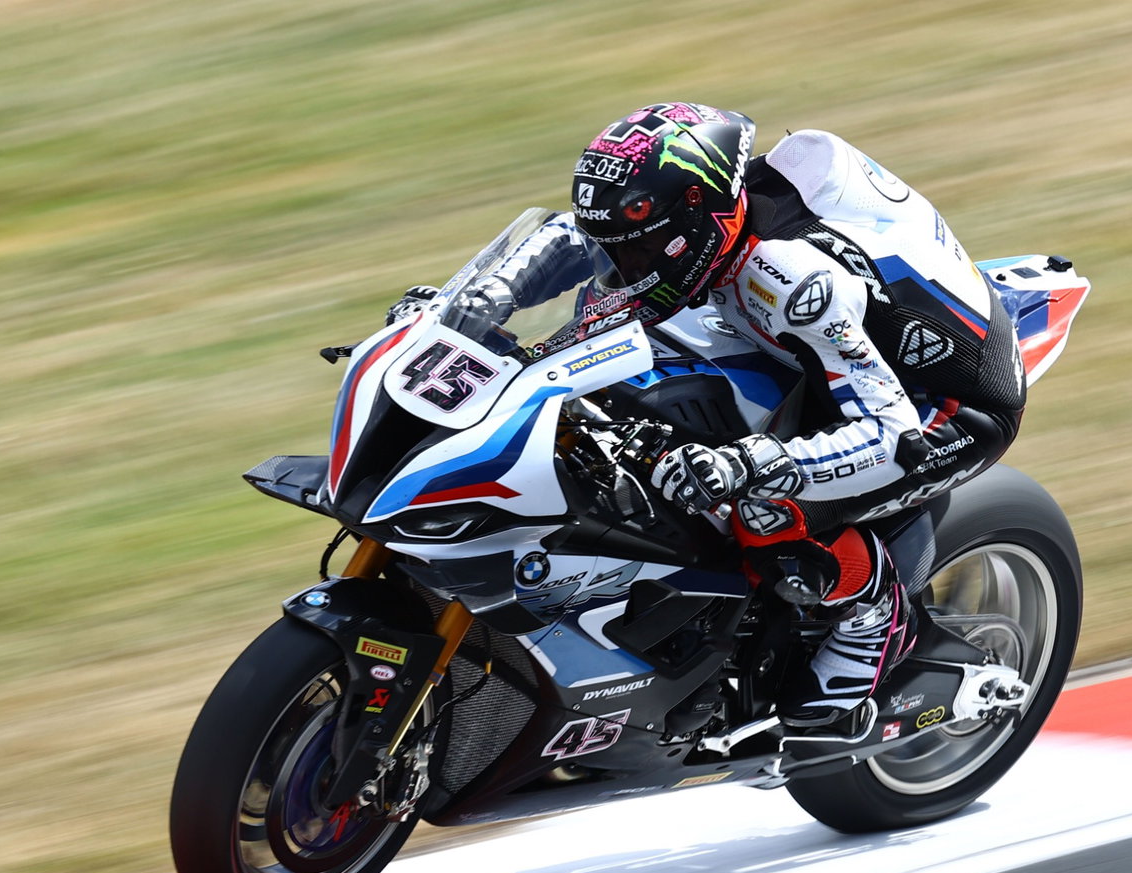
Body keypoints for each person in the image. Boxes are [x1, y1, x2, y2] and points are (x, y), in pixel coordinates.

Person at [394, 102, 1026, 751]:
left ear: (704, 220)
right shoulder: (699, 221)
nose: (621, 261)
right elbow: (572, 240)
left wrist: (754, 464)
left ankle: (875, 620)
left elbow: (892, 436)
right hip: (814, 348)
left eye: (639, 248)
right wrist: (466, 302)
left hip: (940, 406)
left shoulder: (792, 282)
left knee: (760, 502)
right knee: (608, 352)